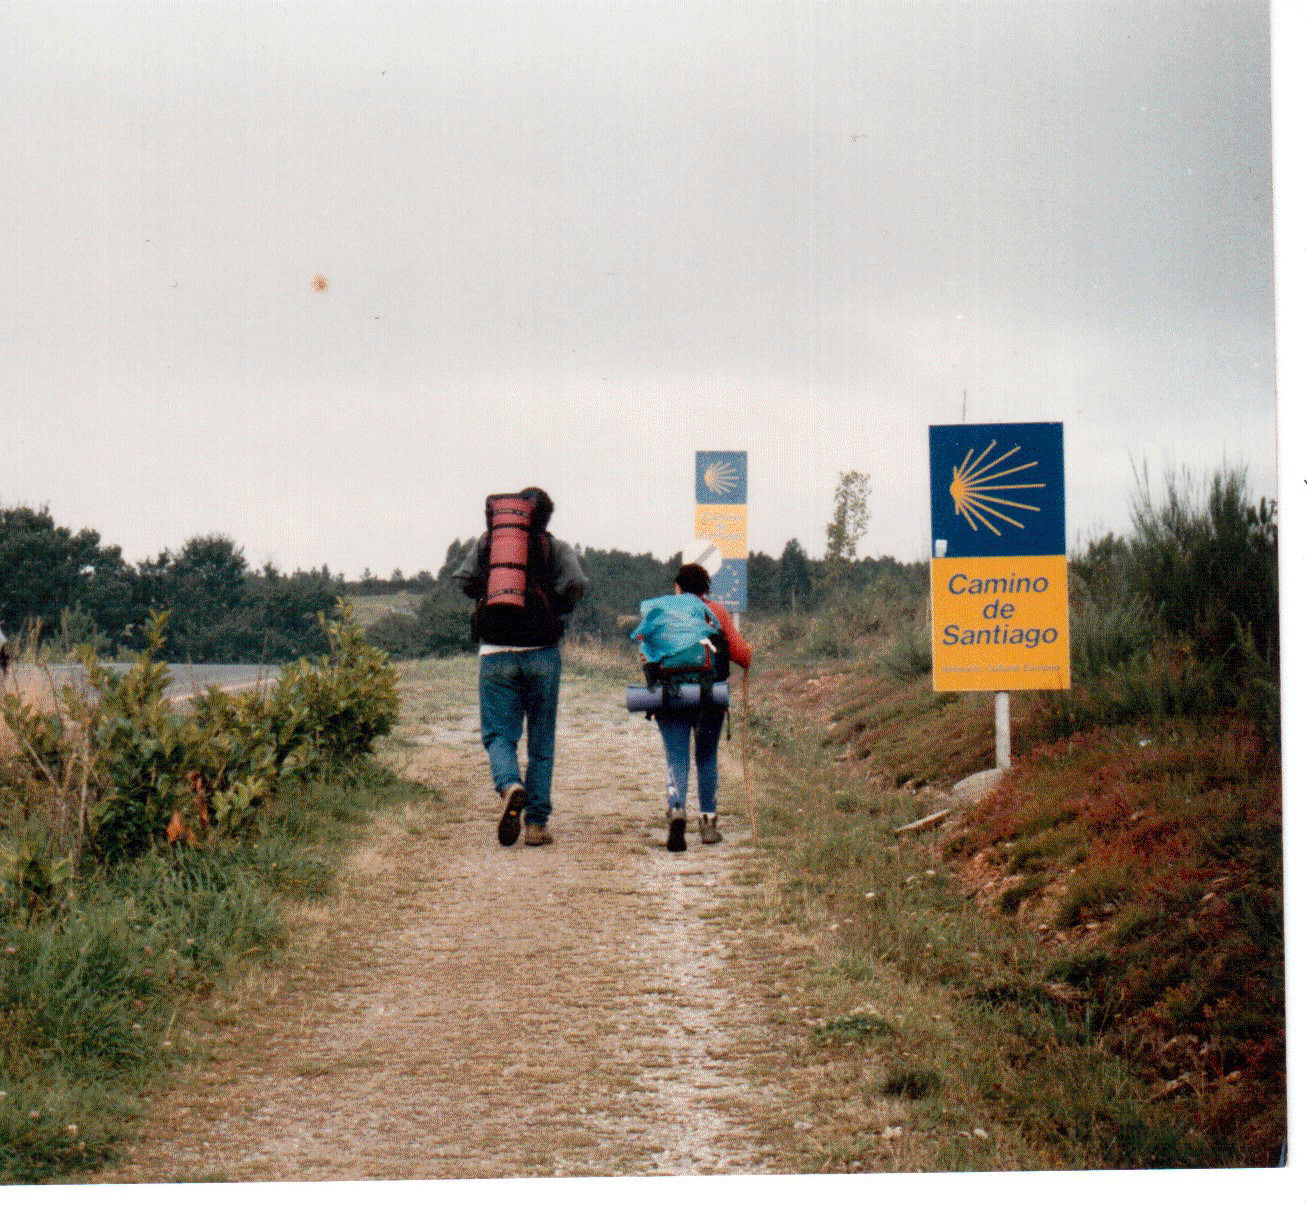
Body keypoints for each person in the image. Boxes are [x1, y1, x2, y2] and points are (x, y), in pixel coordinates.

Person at [453, 487, 588, 849]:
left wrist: (491, 594)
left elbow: (464, 580)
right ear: (545, 517)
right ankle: (537, 825)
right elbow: (576, 583)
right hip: (542, 651)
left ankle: (510, 784)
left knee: (499, 734)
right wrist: (556, 605)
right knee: (541, 741)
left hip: (494, 652)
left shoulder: (488, 544)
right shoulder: (555, 547)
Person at [637, 563, 752, 852]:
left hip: (670, 695)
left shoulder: (663, 611)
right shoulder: (716, 611)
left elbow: (645, 652)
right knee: (706, 756)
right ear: (706, 589)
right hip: (708, 695)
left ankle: (677, 809)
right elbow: (742, 654)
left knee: (676, 755)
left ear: (677, 587)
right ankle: (708, 822)